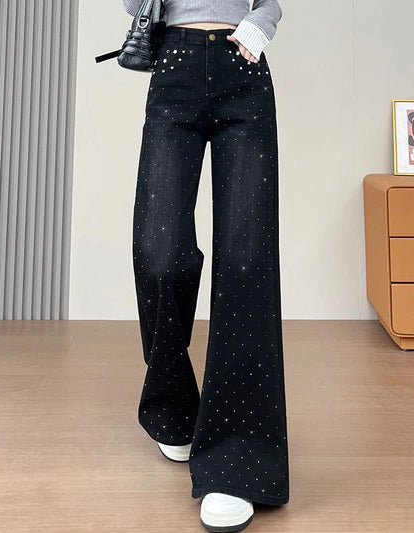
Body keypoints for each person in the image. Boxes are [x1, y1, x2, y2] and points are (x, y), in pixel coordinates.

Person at [121, 1, 287, 531]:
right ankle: (173, 405)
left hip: (243, 68)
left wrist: (259, 27)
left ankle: (237, 463)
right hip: (175, 64)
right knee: (159, 254)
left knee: (246, 262)